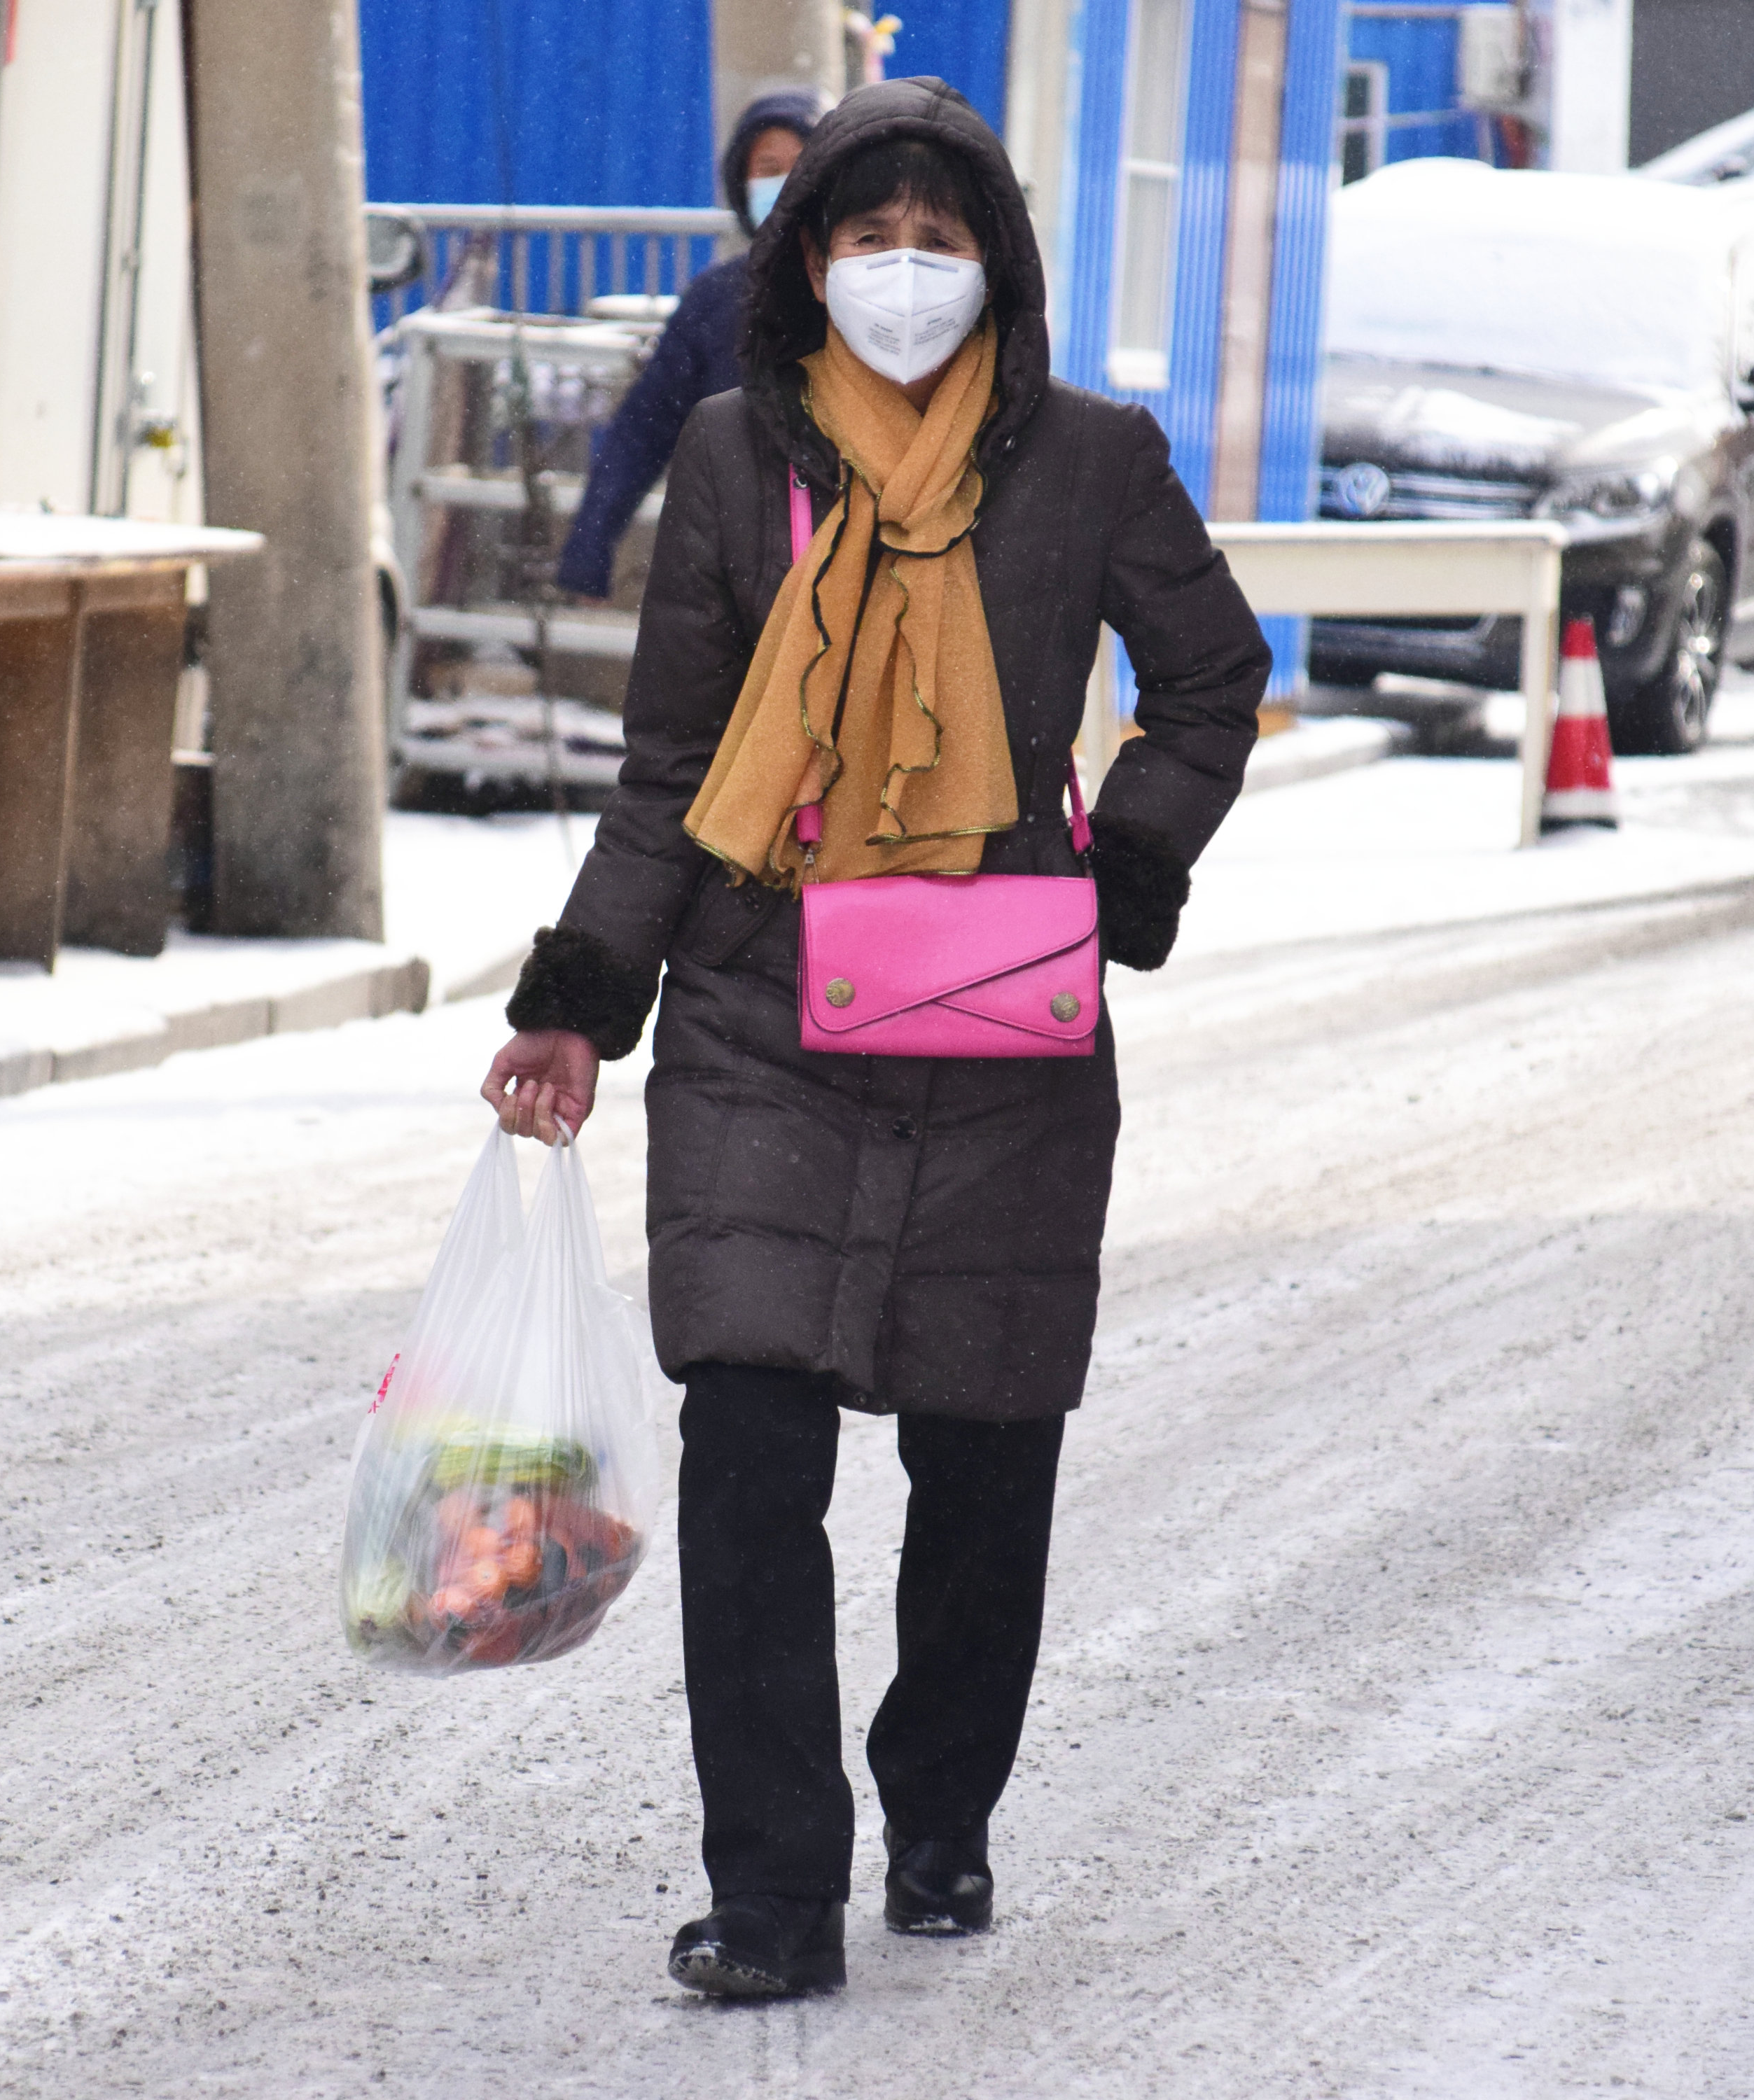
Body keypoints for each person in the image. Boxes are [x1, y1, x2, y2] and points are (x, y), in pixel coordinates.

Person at [480, 78, 1271, 1998]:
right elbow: (671, 772)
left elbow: (1215, 680)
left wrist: (1123, 875)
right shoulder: (743, 464)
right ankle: (771, 1896)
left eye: (936, 241)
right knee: (749, 1449)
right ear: (802, 263)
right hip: (767, 1000)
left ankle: (941, 1817)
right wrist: (587, 999)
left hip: (1007, 1015)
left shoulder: (1087, 462)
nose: (901, 275)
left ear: (992, 260)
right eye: (861, 239)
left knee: (983, 1466)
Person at [551, 91, 821, 604]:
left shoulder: (866, 294)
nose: (785, 183)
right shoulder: (716, 301)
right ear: (742, 186)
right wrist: (590, 541)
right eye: (767, 167)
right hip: (734, 564)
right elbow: (644, 426)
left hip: (844, 563)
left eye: (802, 164)